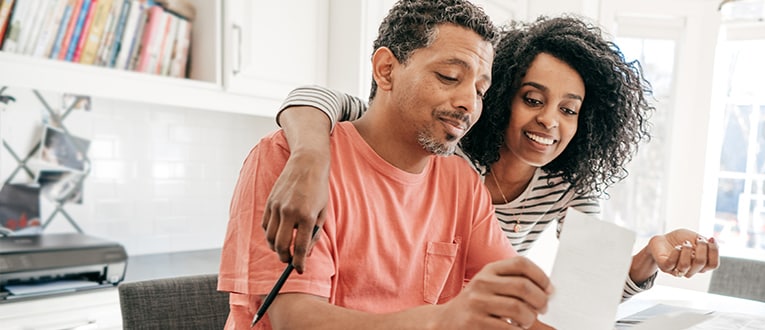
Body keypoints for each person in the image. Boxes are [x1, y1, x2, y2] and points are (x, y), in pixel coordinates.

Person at [265, 15, 720, 302]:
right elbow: (320, 98)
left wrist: (646, 259)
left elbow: (585, 297)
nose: (550, 122)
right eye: (532, 99)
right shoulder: (443, 144)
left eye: (568, 110)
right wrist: (308, 156)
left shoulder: (568, 185)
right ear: (501, 97)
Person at [218, 1, 554, 329]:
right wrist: (442, 320)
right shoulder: (287, 162)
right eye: (450, 76)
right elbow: (295, 320)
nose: (468, 103)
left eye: (481, 90)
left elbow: (519, 301)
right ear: (386, 69)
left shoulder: (461, 183)